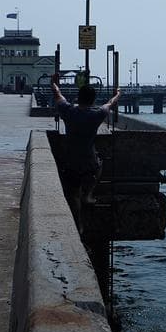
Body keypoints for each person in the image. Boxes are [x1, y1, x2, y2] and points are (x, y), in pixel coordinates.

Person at [50, 72, 121, 234]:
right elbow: (110, 103)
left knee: (73, 195)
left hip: (70, 162)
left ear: (78, 97)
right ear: (93, 100)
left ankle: (78, 226)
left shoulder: (68, 111)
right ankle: (88, 194)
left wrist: (53, 82)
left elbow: (57, 94)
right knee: (100, 164)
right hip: (89, 163)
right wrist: (118, 93)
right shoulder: (97, 114)